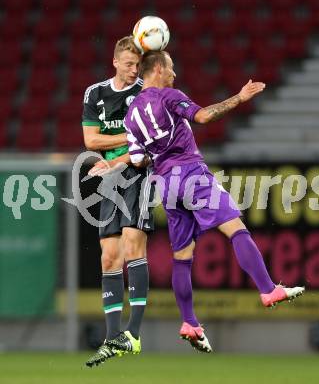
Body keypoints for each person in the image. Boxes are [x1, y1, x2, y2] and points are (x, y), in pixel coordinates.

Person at [122, 50, 305, 353]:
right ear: (156, 69)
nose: (174, 74)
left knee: (182, 256)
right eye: (171, 67)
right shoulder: (167, 95)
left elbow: (139, 160)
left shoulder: (131, 116)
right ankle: (269, 289)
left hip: (166, 184)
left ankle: (189, 322)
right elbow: (204, 116)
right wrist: (239, 98)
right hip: (191, 173)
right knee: (236, 229)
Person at [82, 36, 154, 368]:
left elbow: (148, 145)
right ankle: (112, 339)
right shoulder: (95, 93)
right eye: (128, 64)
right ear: (115, 62)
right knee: (109, 256)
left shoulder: (146, 95)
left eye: (137, 65)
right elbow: (90, 139)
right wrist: (128, 136)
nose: (133, 70)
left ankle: (133, 334)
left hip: (138, 175)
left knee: (132, 245)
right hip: (110, 180)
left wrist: (119, 158)